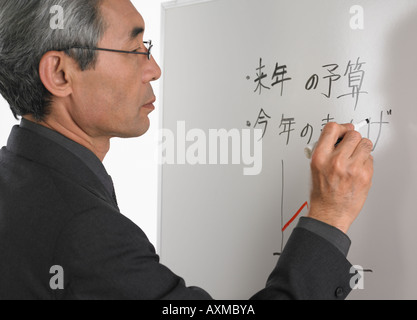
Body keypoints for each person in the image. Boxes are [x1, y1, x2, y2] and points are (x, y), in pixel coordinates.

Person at [0, 0, 373, 300]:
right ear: (61, 74)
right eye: (135, 49)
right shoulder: (87, 233)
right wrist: (330, 217)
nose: (155, 68)